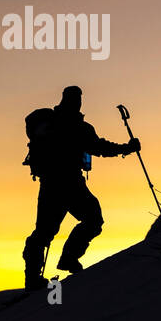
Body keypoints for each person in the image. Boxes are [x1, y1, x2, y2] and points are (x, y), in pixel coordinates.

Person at [22, 85, 139, 290]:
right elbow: (100, 148)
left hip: (53, 185)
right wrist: (126, 149)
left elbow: (98, 147)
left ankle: (36, 276)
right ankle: (63, 261)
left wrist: (125, 149)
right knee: (90, 220)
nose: (77, 102)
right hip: (68, 183)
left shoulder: (56, 125)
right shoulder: (77, 127)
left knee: (46, 232)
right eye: (75, 99)